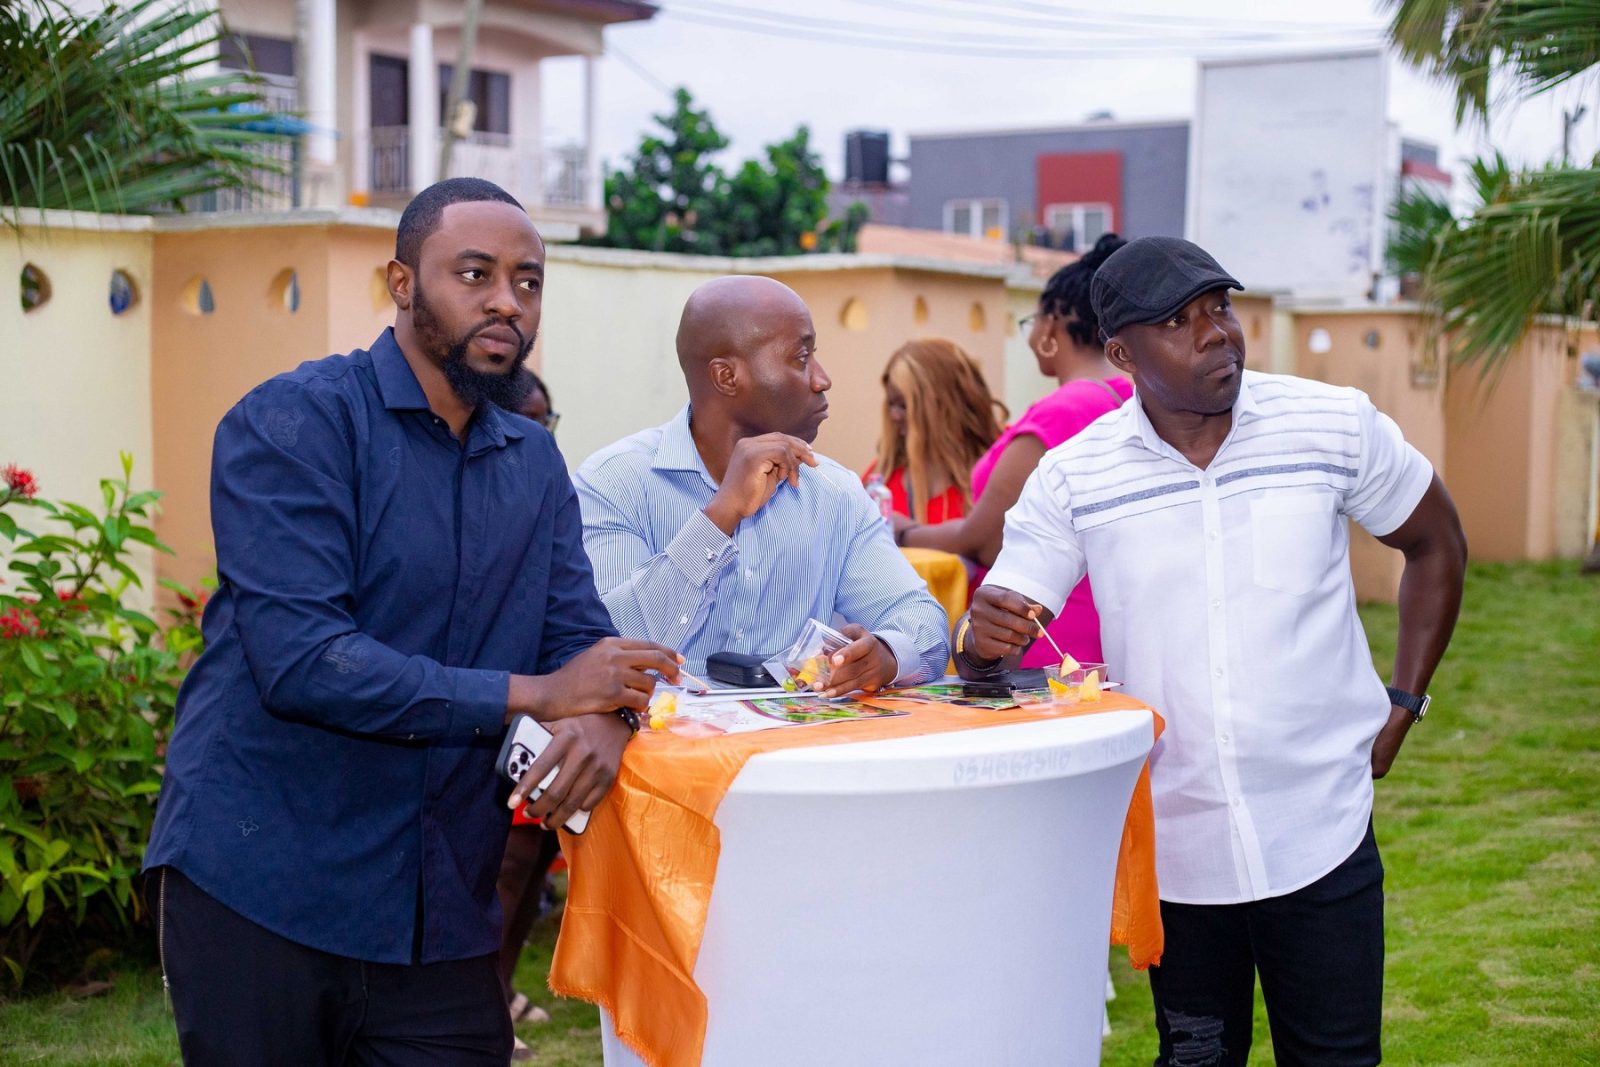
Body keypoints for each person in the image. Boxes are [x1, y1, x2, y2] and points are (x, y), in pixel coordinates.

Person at [142, 177, 681, 1065]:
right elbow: (306, 662)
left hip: (442, 906)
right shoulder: (294, 422)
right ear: (401, 282)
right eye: (475, 273)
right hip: (267, 880)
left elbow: (579, 643)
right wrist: (540, 693)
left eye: (528, 281)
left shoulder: (533, 462)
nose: (507, 301)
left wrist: (607, 716)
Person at [961, 236, 1468, 1066]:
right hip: (1178, 852)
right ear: (1122, 354)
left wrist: (1406, 699)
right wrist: (979, 641)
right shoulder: (1074, 476)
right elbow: (992, 634)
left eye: (1219, 307)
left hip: (1323, 833)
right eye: (1178, 321)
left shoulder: (1330, 424)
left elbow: (1437, 540)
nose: (1216, 333)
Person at [576, 275, 949, 694]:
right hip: (662, 736)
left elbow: (924, 625)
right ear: (727, 377)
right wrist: (720, 517)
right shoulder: (615, 482)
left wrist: (884, 655)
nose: (822, 379)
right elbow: (602, 649)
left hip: (796, 735)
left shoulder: (835, 491)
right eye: (801, 358)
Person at [899, 233, 1131, 666]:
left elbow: (987, 540)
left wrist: (902, 532)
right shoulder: (1126, 398)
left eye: (1032, 322)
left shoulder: (1063, 411)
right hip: (1099, 633)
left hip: (1046, 640)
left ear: (1052, 325)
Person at [865, 338, 1007, 523]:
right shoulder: (882, 477)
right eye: (891, 404)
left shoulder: (1003, 462)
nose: (894, 416)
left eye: (904, 406)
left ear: (945, 405)